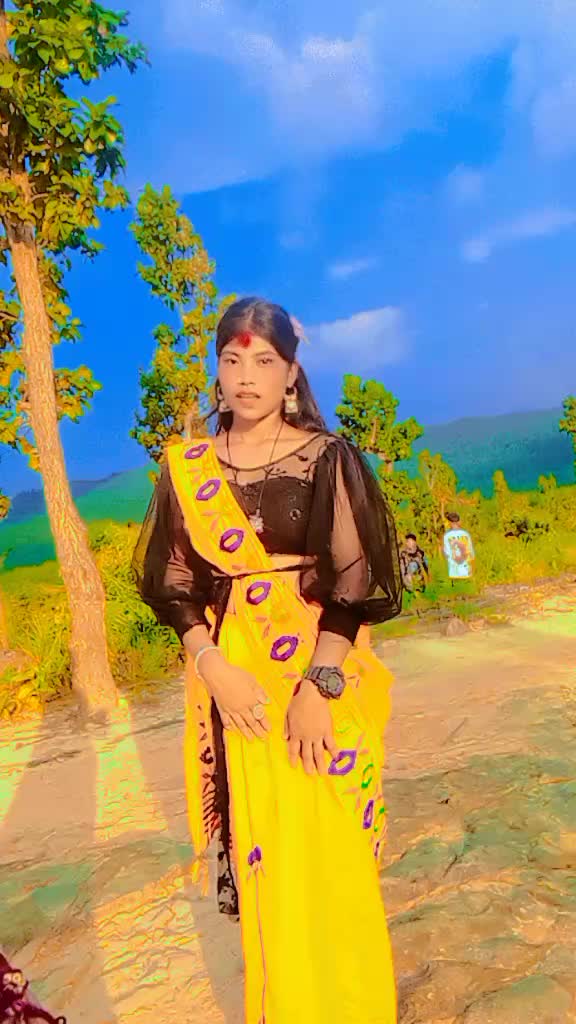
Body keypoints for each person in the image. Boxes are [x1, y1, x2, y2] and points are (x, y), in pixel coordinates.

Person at [132, 297, 403, 1024]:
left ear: (291, 374)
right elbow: (175, 586)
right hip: (239, 681)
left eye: (264, 360)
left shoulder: (327, 457)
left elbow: (353, 583)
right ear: (217, 372)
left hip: (315, 666)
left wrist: (319, 685)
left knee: (331, 849)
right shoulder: (188, 469)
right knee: (270, 858)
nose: (246, 376)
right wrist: (212, 667)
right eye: (232, 360)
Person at [443, 511, 475, 582]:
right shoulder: (466, 534)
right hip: (466, 569)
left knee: (456, 587)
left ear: (450, 522)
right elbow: (471, 552)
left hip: (454, 571)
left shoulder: (447, 536)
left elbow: (447, 553)